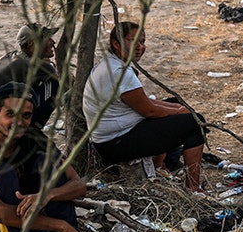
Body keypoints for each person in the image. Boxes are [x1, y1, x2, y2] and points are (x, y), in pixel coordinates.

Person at [82, 21, 206, 192]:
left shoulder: (110, 64)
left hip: (110, 137)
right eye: (133, 41)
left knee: (174, 103)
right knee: (195, 123)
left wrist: (177, 108)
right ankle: (193, 187)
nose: (140, 47)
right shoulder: (120, 73)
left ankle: (159, 167)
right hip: (115, 143)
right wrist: (179, 112)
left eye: (143, 41)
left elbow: (143, 100)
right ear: (116, 43)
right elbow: (149, 110)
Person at [0, 82, 86, 232]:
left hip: (30, 223)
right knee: (4, 171)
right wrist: (58, 225)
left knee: (48, 164)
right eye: (10, 114)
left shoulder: (34, 138)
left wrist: (46, 195)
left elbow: (79, 185)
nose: (19, 122)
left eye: (26, 116)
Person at [0, 23, 60, 132]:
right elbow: (62, 79)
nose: (53, 42)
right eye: (47, 39)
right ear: (30, 44)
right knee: (54, 84)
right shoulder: (33, 64)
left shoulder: (13, 56)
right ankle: (32, 132)